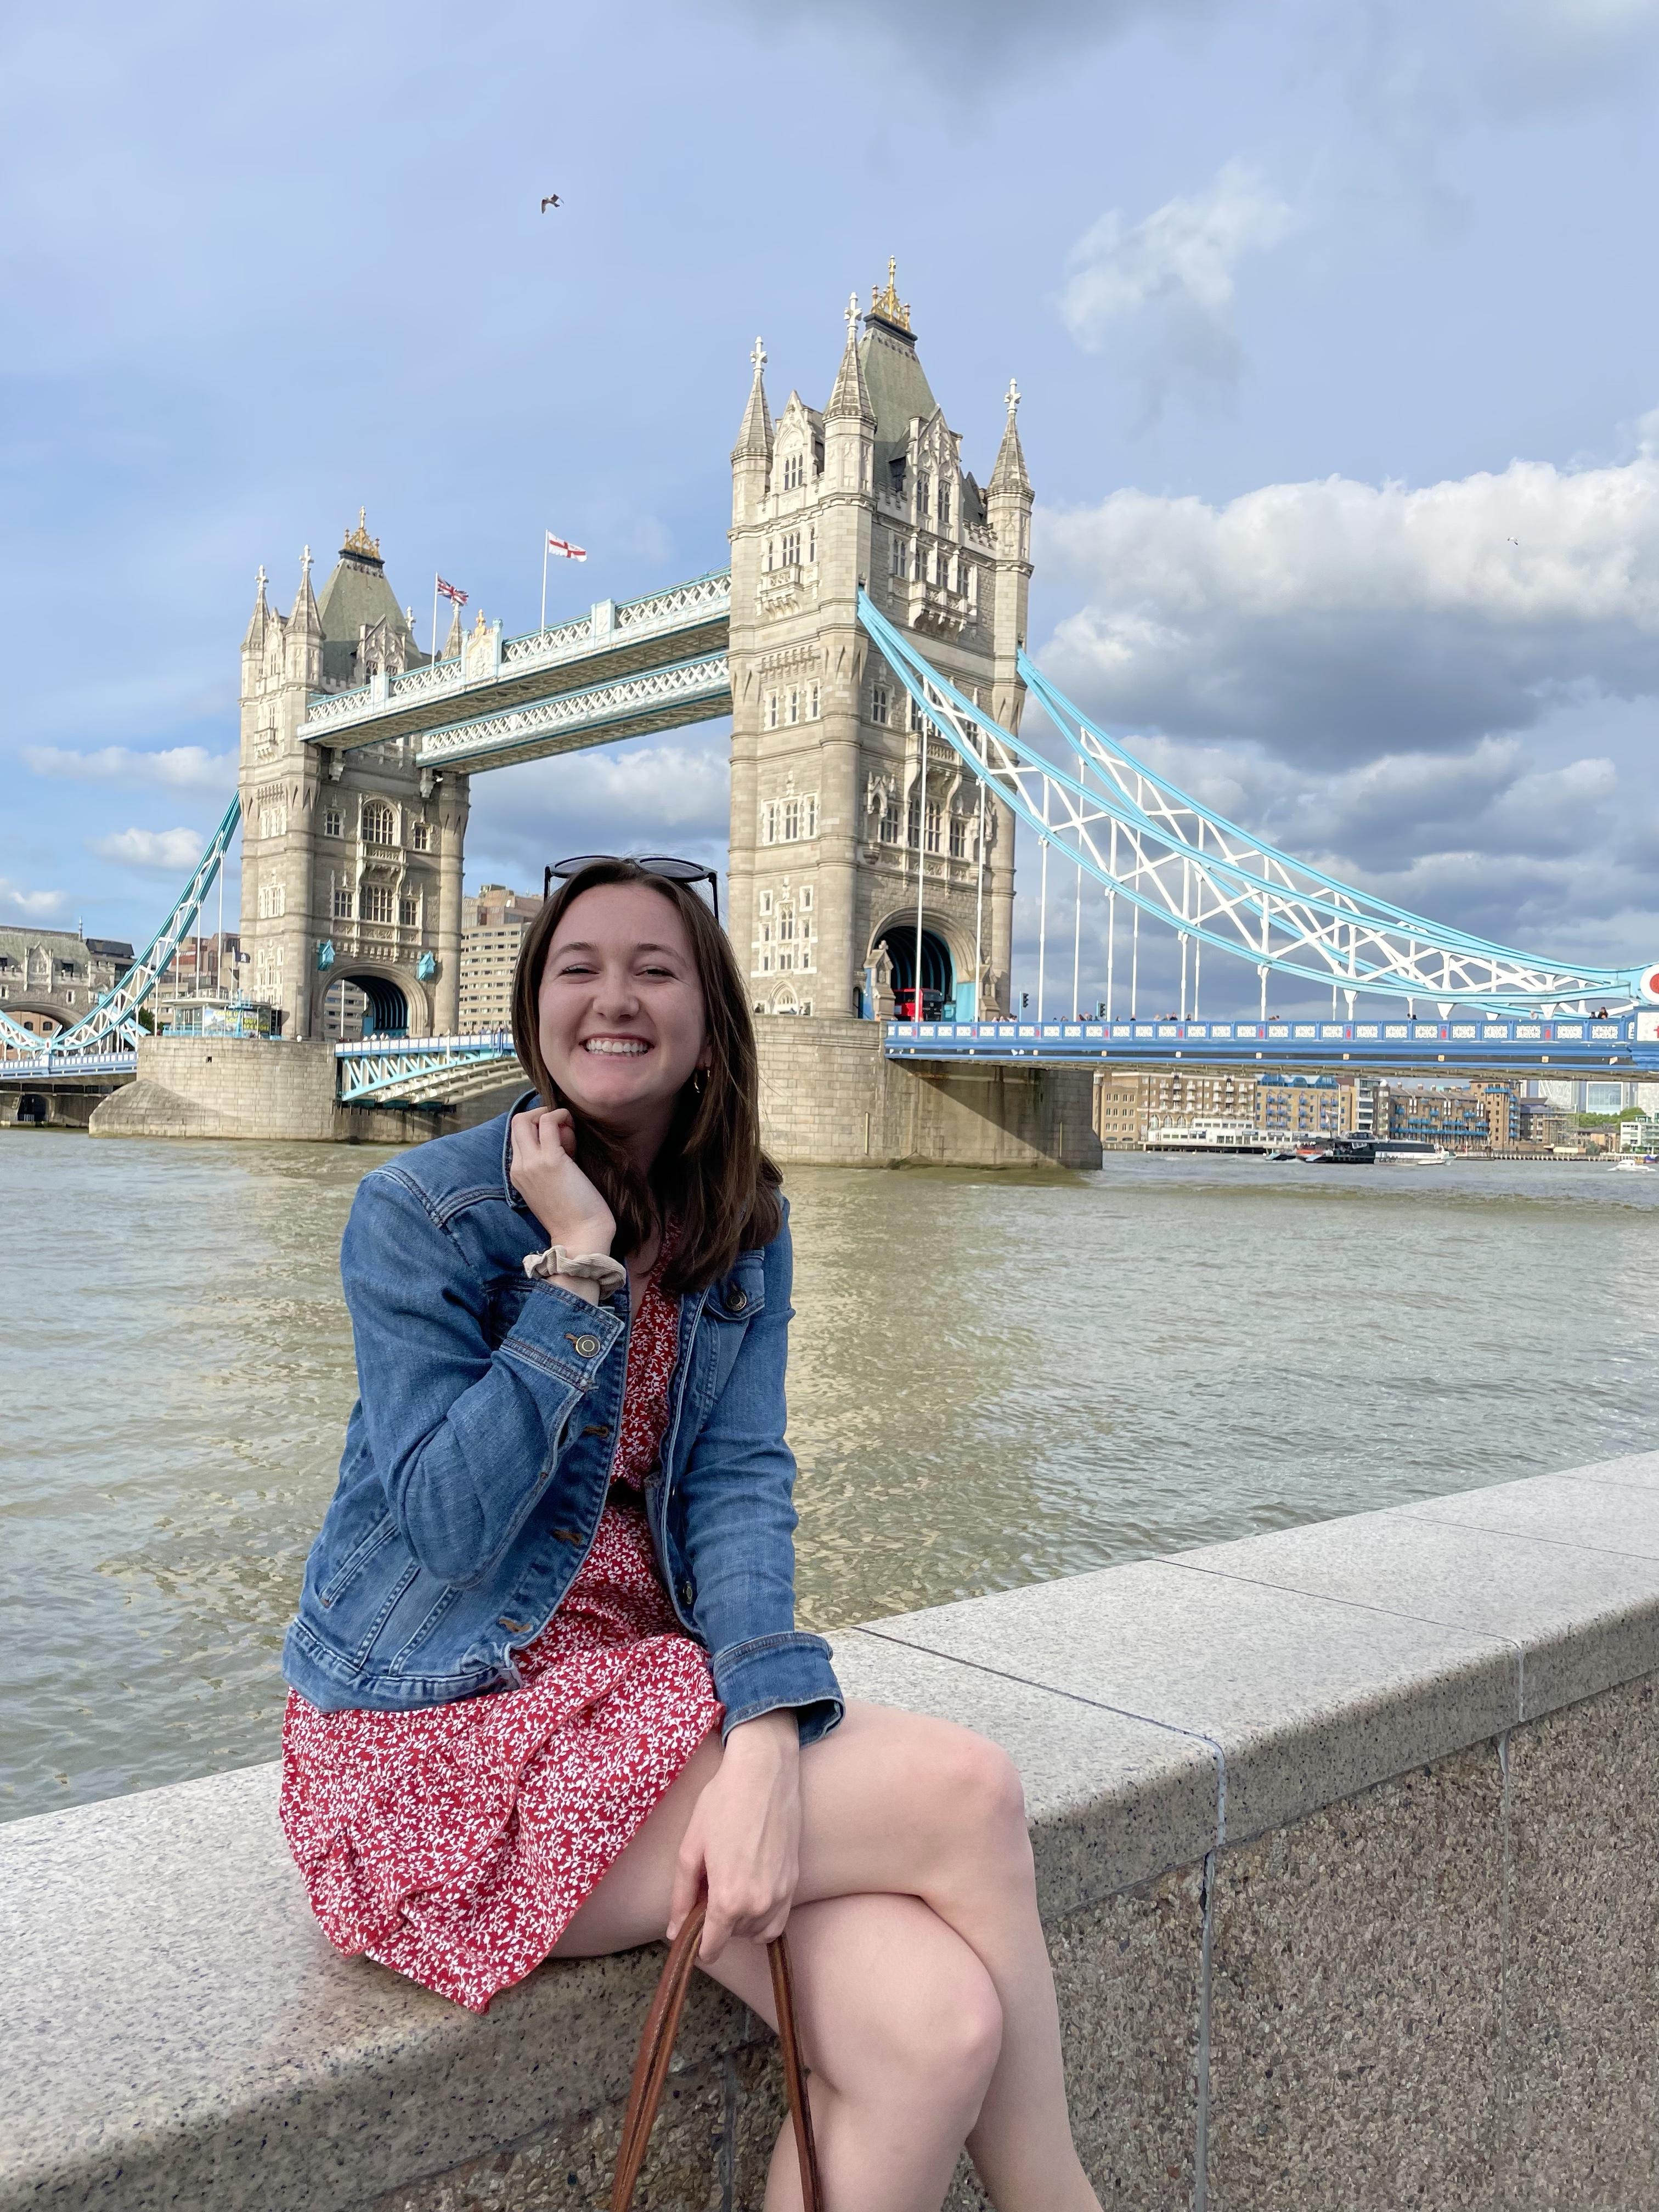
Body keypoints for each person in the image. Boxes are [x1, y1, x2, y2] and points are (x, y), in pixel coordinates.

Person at [279, 856, 1102, 2212]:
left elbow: (737, 1485)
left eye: (654, 970)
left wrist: (766, 1739)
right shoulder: (425, 1212)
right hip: (438, 1728)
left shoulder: (742, 1221)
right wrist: (578, 1269)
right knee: (968, 1794)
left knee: (934, 2031)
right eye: (577, 968)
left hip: (643, 1698)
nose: (613, 998)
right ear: (534, 1009)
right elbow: (443, 1526)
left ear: (710, 1020)